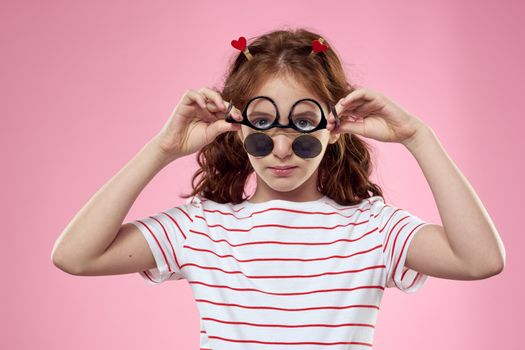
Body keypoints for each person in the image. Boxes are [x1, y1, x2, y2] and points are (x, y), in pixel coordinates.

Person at [51, 28, 506, 348]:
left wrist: (416, 136)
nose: (283, 149)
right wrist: (163, 148)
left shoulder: (372, 229)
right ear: (237, 126)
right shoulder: (202, 227)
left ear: (334, 128)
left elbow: (479, 260)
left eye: (304, 125)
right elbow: (76, 255)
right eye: (264, 124)